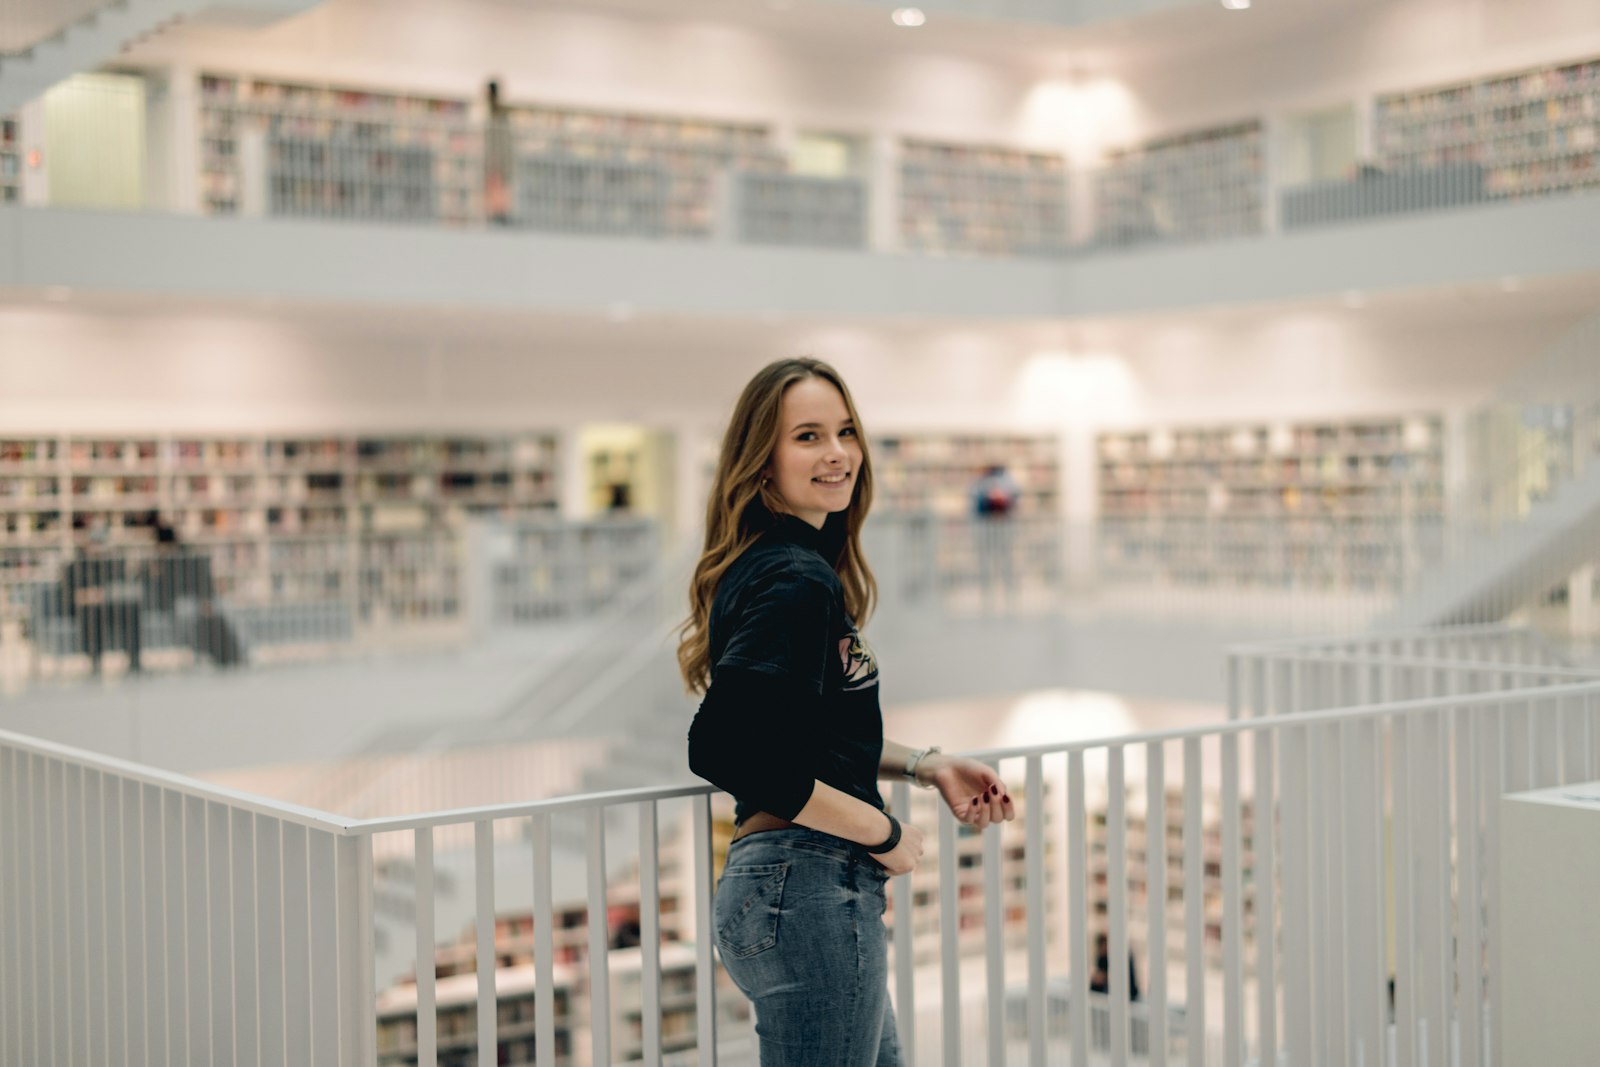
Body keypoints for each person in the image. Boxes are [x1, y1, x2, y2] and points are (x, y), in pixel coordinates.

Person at [682, 357, 1016, 1066]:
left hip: (792, 890)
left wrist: (926, 765)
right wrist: (882, 830)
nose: (837, 453)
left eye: (845, 431)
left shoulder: (780, 562)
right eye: (807, 436)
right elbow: (726, 746)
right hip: (807, 889)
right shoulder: (796, 579)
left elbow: (806, 731)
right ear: (761, 461)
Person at [969, 463, 1020, 611]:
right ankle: (989, 592)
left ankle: (1007, 591)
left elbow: (1013, 499)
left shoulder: (1005, 481)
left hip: (1002, 527)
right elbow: (976, 502)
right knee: (988, 561)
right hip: (987, 527)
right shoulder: (980, 483)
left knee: (1004, 561)